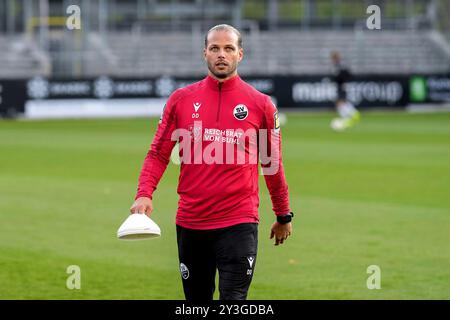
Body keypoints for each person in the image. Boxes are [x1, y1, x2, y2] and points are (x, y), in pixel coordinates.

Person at [129, 24, 293, 301]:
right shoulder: (180, 100)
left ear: (240, 54)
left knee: (233, 301)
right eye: (215, 48)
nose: (221, 54)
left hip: (238, 222)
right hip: (191, 222)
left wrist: (283, 214)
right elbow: (158, 153)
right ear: (204, 53)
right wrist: (144, 193)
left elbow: (272, 163)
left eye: (229, 48)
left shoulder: (261, 104)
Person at [330, 51, 360, 129]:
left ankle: (350, 116)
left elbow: (347, 75)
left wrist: (343, 79)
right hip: (339, 86)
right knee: (341, 103)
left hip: (341, 87)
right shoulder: (336, 67)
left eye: (334, 58)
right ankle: (353, 115)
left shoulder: (339, 67)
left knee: (340, 103)